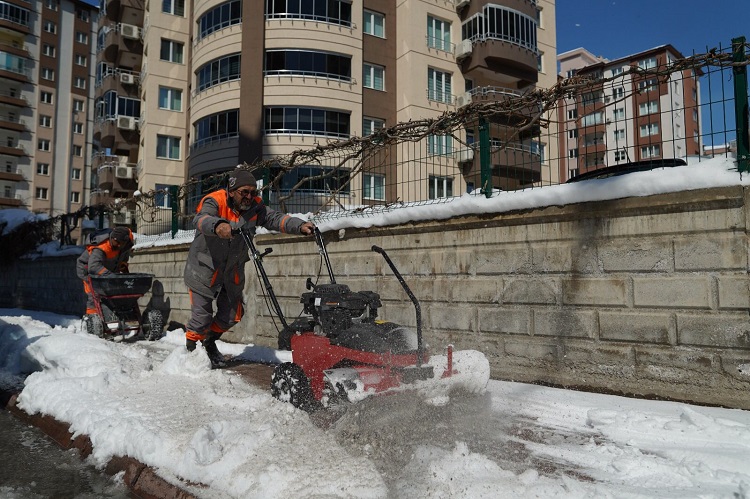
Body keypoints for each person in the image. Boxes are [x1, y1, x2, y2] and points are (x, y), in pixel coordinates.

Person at [184, 167, 314, 367]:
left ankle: (209, 342)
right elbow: (201, 219)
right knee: (201, 318)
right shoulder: (214, 200)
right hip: (205, 267)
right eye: (244, 192)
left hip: (232, 268)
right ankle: (190, 357)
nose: (249, 196)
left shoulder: (256, 207)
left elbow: (274, 218)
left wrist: (299, 225)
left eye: (253, 192)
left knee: (233, 314)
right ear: (231, 189)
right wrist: (218, 225)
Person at [76, 226, 134, 316]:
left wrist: (123, 270)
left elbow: (122, 261)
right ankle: (91, 318)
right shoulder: (101, 248)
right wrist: (110, 275)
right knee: (94, 294)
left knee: (115, 293)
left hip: (107, 269)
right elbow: (94, 266)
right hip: (87, 270)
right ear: (112, 238)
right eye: (117, 242)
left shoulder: (125, 245)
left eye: (121, 243)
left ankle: (113, 316)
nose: (118, 245)